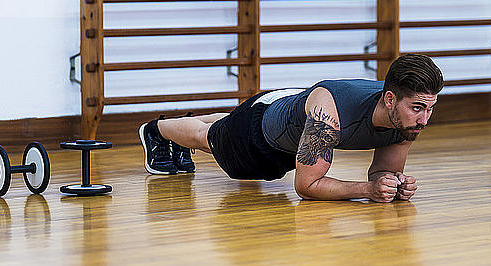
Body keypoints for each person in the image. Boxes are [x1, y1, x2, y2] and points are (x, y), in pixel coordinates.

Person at [139, 54, 443, 203]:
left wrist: (391, 184)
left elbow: (381, 172)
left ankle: (211, 123)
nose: (424, 119)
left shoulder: (406, 118)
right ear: (390, 99)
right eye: (418, 108)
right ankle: (157, 129)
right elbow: (307, 186)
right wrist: (368, 191)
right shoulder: (330, 114)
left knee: (224, 125)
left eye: (430, 108)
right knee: (207, 138)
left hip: (286, 111)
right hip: (257, 136)